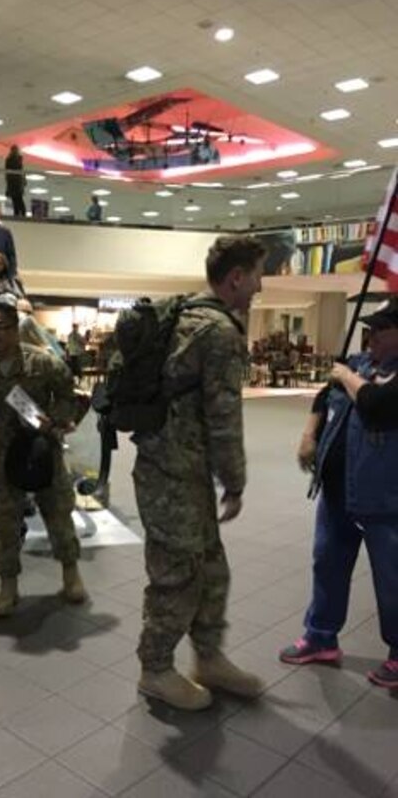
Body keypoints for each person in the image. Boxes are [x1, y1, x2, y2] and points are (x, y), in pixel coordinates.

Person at [134, 235, 267, 711]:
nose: (260, 287)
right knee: (177, 575)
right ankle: (155, 669)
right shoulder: (219, 332)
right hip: (173, 475)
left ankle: (208, 658)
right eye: (256, 276)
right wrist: (236, 482)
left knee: (211, 568)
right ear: (236, 278)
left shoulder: (180, 314)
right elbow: (224, 418)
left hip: (173, 470)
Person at [280, 298, 398, 689]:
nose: (372, 336)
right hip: (336, 491)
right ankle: (320, 637)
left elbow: (377, 405)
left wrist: (345, 376)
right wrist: (309, 434)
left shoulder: (372, 374)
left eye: (382, 329)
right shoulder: (362, 364)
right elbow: (322, 397)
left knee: (392, 579)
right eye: (371, 328)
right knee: (327, 564)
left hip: (384, 498)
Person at [0, 295, 87, 617]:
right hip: (0, 454)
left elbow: (69, 391)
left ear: (15, 329)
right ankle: (7, 588)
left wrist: (57, 421)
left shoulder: (41, 362)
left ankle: (71, 574)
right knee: (4, 521)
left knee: (58, 513)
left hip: (41, 447)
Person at [4, 145, 26, 218]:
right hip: (15, 183)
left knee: (17, 200)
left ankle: (18, 214)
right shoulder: (17, 159)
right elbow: (21, 172)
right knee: (18, 200)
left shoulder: (11, 160)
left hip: (14, 184)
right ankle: (20, 214)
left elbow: (8, 173)